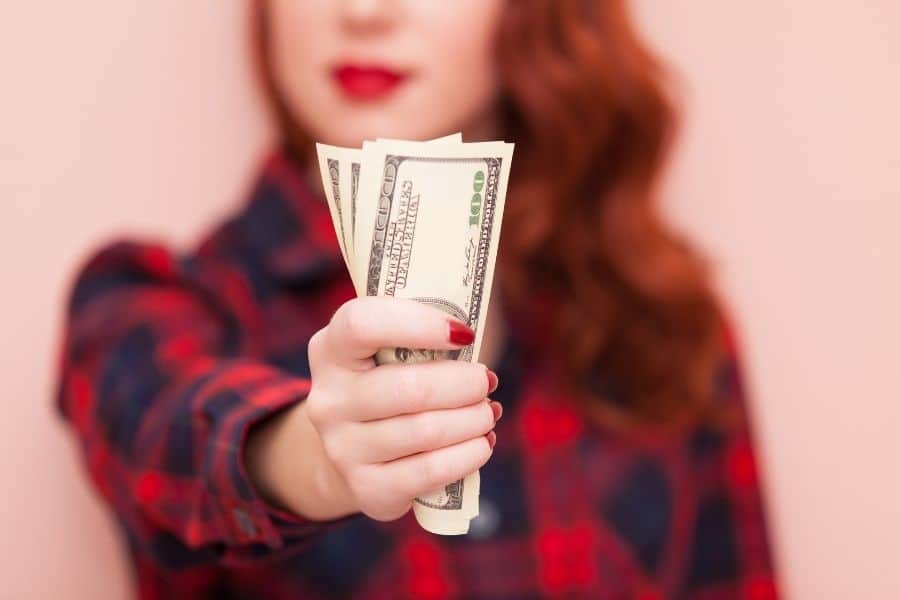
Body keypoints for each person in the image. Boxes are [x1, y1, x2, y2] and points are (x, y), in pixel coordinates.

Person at [57, 1, 779, 598]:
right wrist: (312, 455)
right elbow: (162, 431)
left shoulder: (663, 320)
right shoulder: (149, 304)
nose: (363, 12)